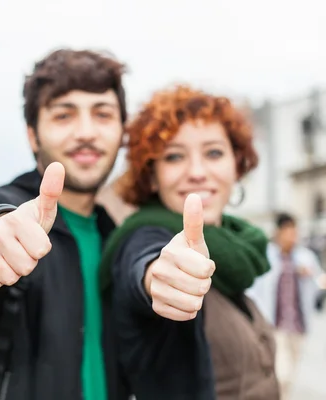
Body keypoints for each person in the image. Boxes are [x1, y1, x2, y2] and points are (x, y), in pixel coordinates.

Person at [0, 48, 129, 400]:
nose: (86, 132)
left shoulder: (115, 237)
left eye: (103, 115)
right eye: (64, 116)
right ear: (33, 135)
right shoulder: (8, 208)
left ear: (122, 130)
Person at [99, 84, 279, 399]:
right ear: (152, 176)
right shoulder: (144, 235)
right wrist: (157, 277)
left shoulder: (238, 248)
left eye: (213, 152)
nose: (197, 172)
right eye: (174, 156)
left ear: (236, 165)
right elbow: (143, 266)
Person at [248, 212, 325, 399]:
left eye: (294, 232)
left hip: (298, 323)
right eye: (289, 231)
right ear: (279, 232)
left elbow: (318, 283)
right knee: (282, 372)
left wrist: (310, 277)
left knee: (291, 370)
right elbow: (255, 289)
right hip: (274, 323)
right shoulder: (267, 256)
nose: (292, 236)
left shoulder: (305, 257)